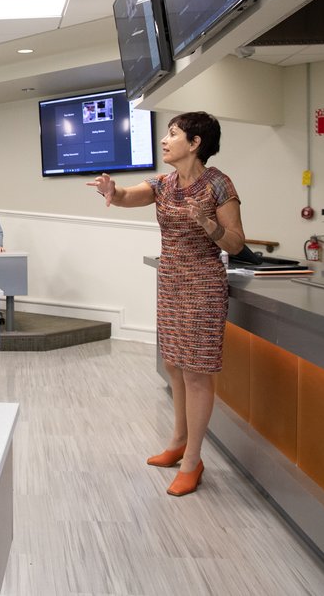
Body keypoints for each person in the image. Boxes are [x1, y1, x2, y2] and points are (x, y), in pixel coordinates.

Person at [87, 111, 244, 497]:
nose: (164, 140)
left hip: (203, 285)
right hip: (171, 282)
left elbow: (236, 243)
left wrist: (208, 225)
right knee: (174, 365)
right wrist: (111, 191)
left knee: (196, 373)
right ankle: (176, 443)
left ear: (195, 143)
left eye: (172, 134)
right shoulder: (164, 183)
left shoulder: (218, 184)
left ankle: (193, 460)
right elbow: (125, 197)